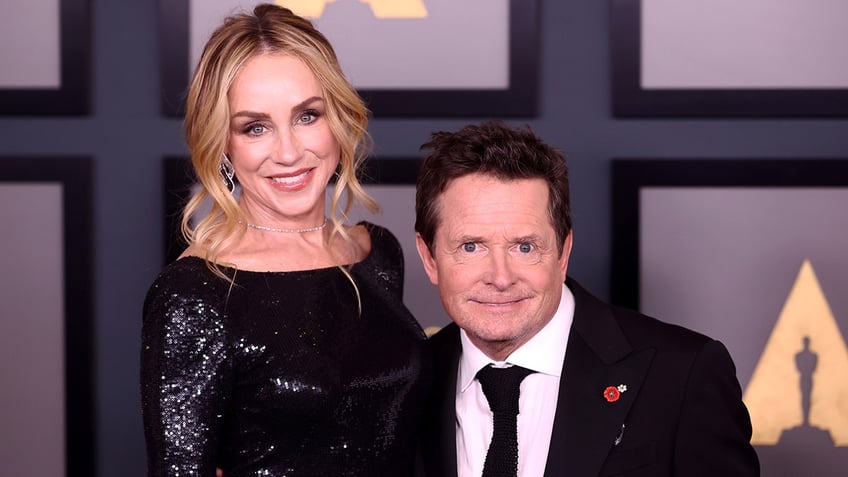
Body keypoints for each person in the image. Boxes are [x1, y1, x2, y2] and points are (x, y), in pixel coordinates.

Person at [140, 4, 430, 476]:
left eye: (307, 116)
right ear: (224, 145)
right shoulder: (194, 296)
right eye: (255, 127)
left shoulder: (376, 255)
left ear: (337, 117)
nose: (290, 152)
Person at [413, 121, 759, 476]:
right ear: (429, 258)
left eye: (525, 246)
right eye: (471, 247)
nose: (500, 277)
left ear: (563, 253)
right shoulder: (403, 384)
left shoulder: (682, 374)